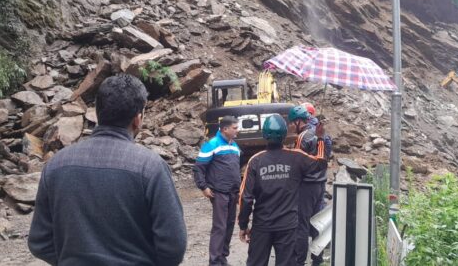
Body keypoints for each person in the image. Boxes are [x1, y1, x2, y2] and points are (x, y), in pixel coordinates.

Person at [28, 74, 187, 265]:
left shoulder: (55, 165)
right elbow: (174, 246)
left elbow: (39, 241)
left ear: (97, 112)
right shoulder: (150, 167)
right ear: (138, 119)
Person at [238, 114, 327, 266]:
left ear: (264, 134)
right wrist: (319, 138)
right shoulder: (297, 157)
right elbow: (320, 164)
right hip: (288, 226)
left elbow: (245, 198)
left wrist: (243, 225)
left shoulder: (255, 161)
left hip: (262, 226)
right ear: (285, 134)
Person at [193, 116, 241, 266]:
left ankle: (222, 258)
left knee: (229, 225)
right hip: (219, 192)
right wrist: (203, 186)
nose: (237, 131)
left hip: (233, 193)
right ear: (225, 129)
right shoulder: (212, 144)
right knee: (220, 227)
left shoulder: (234, 146)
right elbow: (199, 168)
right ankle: (214, 262)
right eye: (235, 128)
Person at [290, 105, 332, 266]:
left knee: (301, 224)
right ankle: (318, 259)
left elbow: (298, 162)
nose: (292, 126)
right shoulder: (323, 134)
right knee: (317, 222)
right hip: (320, 184)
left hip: (306, 186)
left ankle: (299, 261)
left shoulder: (303, 137)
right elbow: (325, 157)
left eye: (293, 123)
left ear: (299, 121)